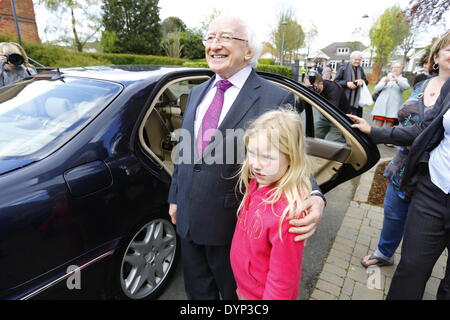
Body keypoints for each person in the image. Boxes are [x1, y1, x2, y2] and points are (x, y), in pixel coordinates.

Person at [167, 15, 326, 300]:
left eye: (225, 37)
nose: (214, 45)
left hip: (236, 230)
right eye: (210, 37)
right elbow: (187, 151)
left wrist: (314, 194)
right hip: (189, 221)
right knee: (198, 294)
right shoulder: (196, 93)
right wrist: (175, 196)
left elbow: (292, 156)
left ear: (249, 51)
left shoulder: (274, 98)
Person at [348, 31, 450, 300]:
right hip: (410, 169)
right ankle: (384, 252)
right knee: (399, 230)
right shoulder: (421, 85)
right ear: (436, 56)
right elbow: (419, 128)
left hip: (427, 172)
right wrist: (375, 131)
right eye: (449, 49)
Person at [230, 108, 312, 300]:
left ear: (290, 157)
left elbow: (283, 281)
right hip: (246, 289)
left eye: (267, 157)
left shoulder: (289, 214)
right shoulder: (257, 182)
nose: (256, 164)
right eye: (251, 153)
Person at [305, 70, 350, 143]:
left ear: (321, 83)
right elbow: (299, 107)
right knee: (312, 137)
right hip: (324, 117)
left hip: (339, 118)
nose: (310, 90)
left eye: (313, 87)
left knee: (330, 143)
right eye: (308, 87)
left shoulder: (333, 88)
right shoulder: (315, 88)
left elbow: (332, 110)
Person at [371, 62, 410, 129]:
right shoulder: (385, 78)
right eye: (394, 67)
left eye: (398, 67)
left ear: (402, 69)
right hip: (381, 106)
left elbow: (406, 87)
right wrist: (384, 83)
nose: (395, 69)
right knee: (377, 127)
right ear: (391, 69)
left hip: (393, 107)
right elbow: (376, 89)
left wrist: (397, 80)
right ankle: (375, 139)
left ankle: (385, 139)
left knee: (389, 128)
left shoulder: (403, 79)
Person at [334, 51, 368, 117]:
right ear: (351, 59)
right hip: (345, 100)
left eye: (359, 60)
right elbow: (336, 82)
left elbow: (366, 82)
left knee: (356, 120)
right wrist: (346, 83)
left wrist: (362, 82)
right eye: (355, 59)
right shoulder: (343, 67)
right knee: (344, 119)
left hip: (357, 101)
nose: (357, 61)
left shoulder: (360, 69)